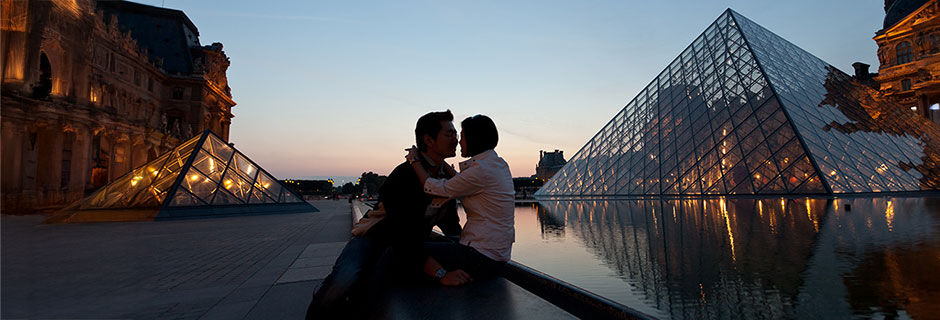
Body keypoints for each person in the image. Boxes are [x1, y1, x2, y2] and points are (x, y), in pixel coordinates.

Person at [306, 110, 462, 319]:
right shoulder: (404, 175)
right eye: (449, 134)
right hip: (375, 237)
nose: (456, 139)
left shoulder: (445, 178)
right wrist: (441, 273)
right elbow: (401, 234)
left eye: (455, 134)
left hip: (409, 241)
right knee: (344, 280)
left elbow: (451, 226)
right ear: (429, 140)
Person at [406, 114, 515, 286]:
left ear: (473, 139)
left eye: (461, 136)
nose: (458, 141)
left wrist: (414, 161)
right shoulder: (496, 164)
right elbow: (462, 181)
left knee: (408, 250)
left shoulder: (481, 170)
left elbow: (436, 187)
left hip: (480, 257)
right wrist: (442, 163)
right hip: (495, 254)